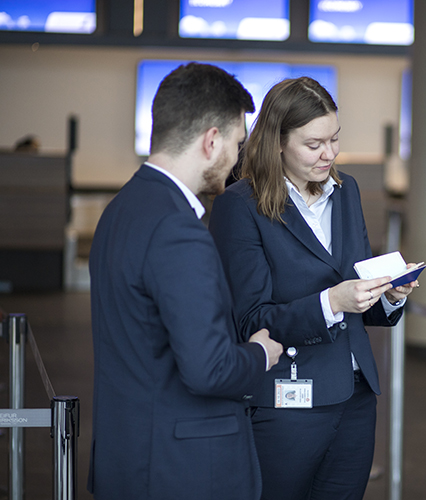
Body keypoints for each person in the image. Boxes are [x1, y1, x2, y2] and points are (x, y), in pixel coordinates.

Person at [208, 76, 418, 500]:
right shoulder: (241, 205)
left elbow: (356, 292)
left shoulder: (347, 192)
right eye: (314, 144)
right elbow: (250, 319)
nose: (330, 154)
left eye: (335, 139)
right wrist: (331, 301)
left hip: (356, 396)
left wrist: (389, 296)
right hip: (287, 400)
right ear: (277, 142)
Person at [88, 62, 283, 500]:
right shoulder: (177, 230)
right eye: (236, 143)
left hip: (129, 458)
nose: (237, 158)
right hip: (181, 472)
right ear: (211, 141)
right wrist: (260, 353)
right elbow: (209, 369)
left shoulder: (121, 209)